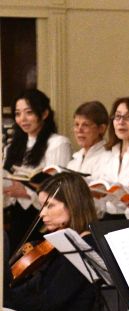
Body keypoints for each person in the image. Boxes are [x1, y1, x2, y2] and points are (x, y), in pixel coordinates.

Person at [6, 173, 99, 311]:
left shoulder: (84, 245)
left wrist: (7, 298)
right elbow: (33, 290)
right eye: (42, 206)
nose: (42, 214)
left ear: (72, 205)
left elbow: (48, 302)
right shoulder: (54, 244)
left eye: (50, 205)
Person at [3, 89, 73, 244]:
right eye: (18, 113)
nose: (23, 119)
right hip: (16, 216)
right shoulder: (12, 147)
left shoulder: (58, 143)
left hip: (45, 216)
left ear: (44, 113)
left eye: (29, 112)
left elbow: (61, 187)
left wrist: (27, 192)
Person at [66, 101, 112, 176]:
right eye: (77, 124)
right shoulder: (73, 162)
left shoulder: (109, 158)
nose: (79, 130)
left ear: (101, 128)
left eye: (85, 125)